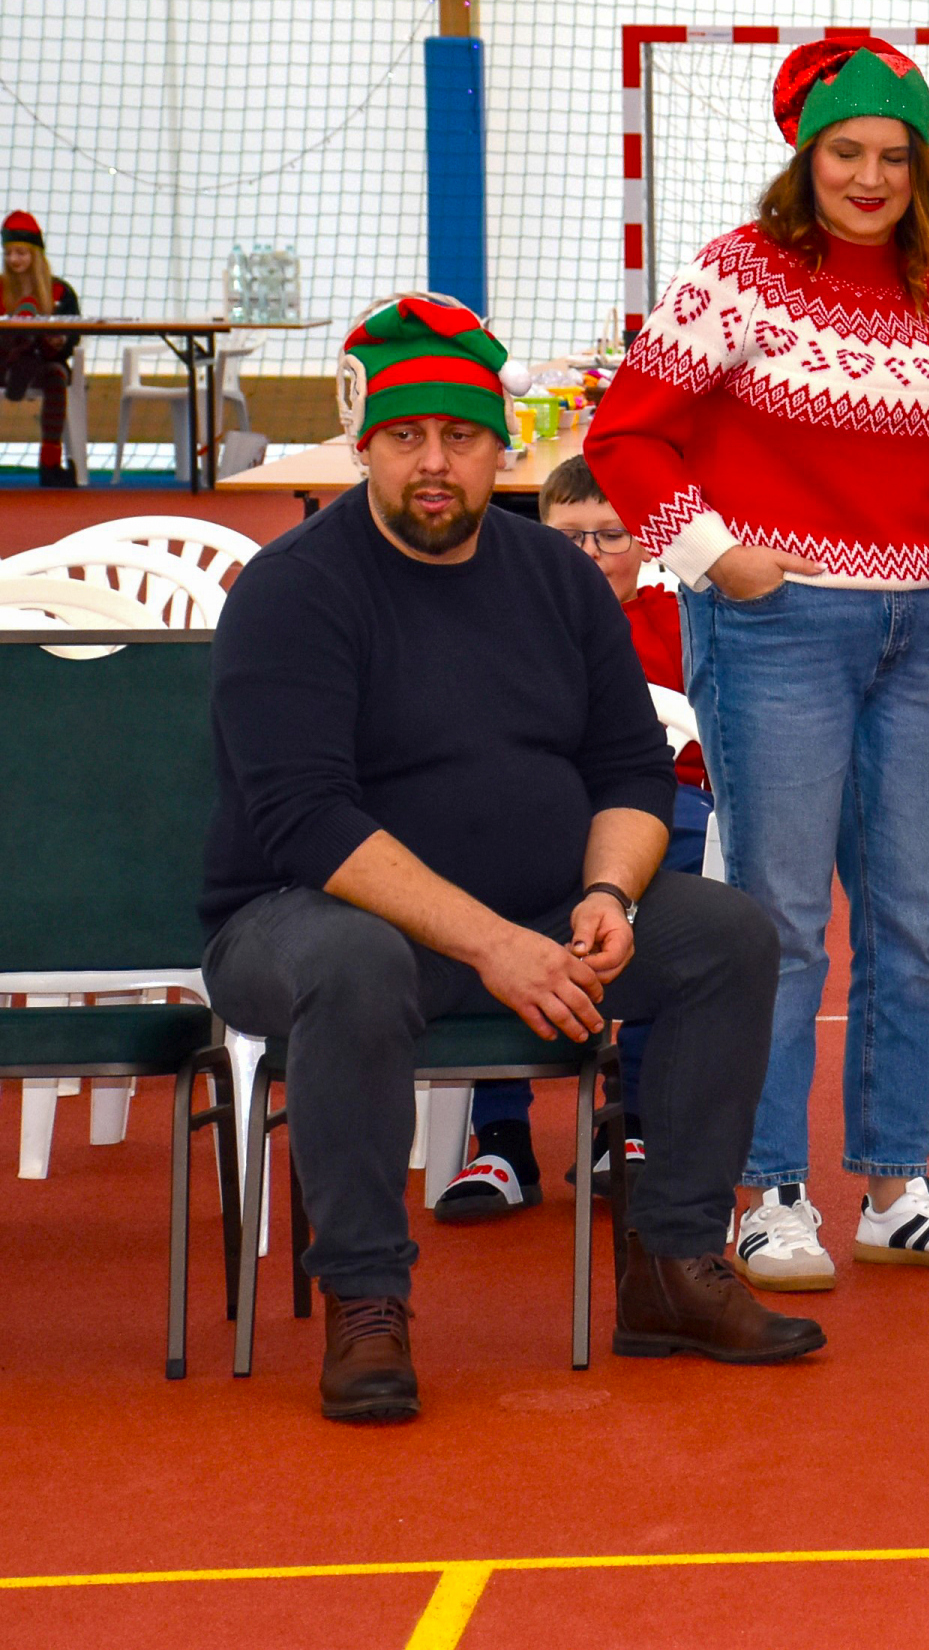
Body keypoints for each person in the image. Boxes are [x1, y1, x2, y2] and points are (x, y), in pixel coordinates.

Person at [201, 296, 823, 1423]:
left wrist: (608, 893)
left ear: (503, 446)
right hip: (303, 919)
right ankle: (365, 1300)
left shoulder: (555, 578)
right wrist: (498, 945)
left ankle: (673, 1266)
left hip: (537, 913)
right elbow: (305, 818)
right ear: (364, 445)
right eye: (405, 437)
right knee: (353, 962)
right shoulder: (294, 588)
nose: (434, 464)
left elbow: (630, 769)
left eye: (462, 435)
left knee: (727, 936)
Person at [586, 35, 929, 1293]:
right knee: (778, 924)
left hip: (923, 634)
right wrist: (719, 559)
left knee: (917, 920)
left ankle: (896, 1185)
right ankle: (770, 1191)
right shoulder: (738, 272)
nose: (870, 177)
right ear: (805, 155)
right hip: (777, 630)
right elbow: (627, 434)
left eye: (893, 155)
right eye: (846, 152)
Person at [435, 455, 711, 1221]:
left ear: (645, 540)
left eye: (609, 535)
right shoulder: (507, 617)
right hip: (543, 809)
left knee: (678, 898)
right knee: (486, 884)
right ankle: (501, 1137)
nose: (589, 554)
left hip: (665, 808)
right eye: (569, 537)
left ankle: (632, 1119)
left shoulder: (679, 619)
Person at [2, 211, 82, 487]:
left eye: (21, 253)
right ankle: (18, 361)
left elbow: (74, 334)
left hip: (44, 362)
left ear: (35, 254)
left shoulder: (60, 292)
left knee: (56, 375)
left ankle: (50, 464)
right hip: (3, 362)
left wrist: (61, 342)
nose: (14, 260)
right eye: (8, 253)